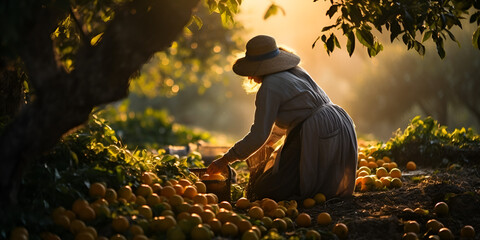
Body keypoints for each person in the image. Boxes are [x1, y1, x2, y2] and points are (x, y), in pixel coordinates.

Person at [206, 35, 358, 201]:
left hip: (315, 128)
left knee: (266, 188)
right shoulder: (296, 71)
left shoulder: (269, 86)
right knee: (289, 175)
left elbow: (258, 135)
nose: (249, 77)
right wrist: (272, 139)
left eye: (252, 70)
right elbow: (296, 111)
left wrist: (226, 159)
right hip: (339, 120)